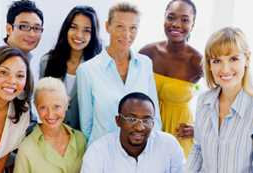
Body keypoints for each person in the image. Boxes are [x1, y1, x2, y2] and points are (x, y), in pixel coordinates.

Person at [77, 2, 161, 143]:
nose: (127, 34)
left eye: (133, 28)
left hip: (140, 152)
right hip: (102, 155)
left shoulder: (145, 64)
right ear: (107, 26)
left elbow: (155, 117)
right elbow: (86, 126)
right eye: (120, 26)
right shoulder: (87, 70)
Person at [139, 0, 202, 157]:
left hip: (179, 135)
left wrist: (199, 128)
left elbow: (220, 99)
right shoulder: (147, 52)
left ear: (193, 25)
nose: (176, 24)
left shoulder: (198, 61)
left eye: (185, 19)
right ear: (164, 18)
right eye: (171, 17)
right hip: (145, 132)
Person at [185, 27, 253, 172]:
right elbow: (198, 149)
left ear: (247, 59)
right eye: (217, 61)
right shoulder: (203, 101)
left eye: (233, 59)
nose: (225, 69)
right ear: (209, 65)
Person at [80, 92, 184, 173]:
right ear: (118, 120)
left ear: (153, 123)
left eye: (146, 120)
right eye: (131, 119)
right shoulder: (98, 151)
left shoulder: (169, 145)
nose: (139, 127)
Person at [39, 5, 102, 130]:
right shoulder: (47, 61)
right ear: (66, 29)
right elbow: (43, 101)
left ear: (93, 35)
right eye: (74, 27)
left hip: (84, 139)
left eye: (86, 30)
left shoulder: (98, 67)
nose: (79, 35)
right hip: (53, 134)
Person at [14, 77, 86, 173]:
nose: (50, 114)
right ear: (36, 107)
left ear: (66, 104)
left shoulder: (80, 139)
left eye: (56, 107)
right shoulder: (26, 148)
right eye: (43, 107)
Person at [0, 46, 33, 173]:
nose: (12, 81)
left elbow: (3, 153)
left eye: (20, 75)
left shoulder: (22, 112)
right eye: (4, 73)